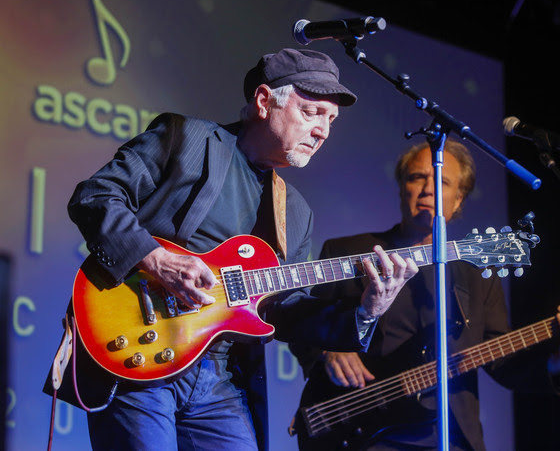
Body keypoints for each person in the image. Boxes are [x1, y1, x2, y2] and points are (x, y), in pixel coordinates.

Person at [43, 48, 418, 451]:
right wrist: (157, 260)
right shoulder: (184, 139)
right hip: (142, 354)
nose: (323, 130)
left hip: (219, 379)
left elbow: (284, 309)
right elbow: (96, 196)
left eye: (331, 119)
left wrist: (369, 310)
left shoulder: (295, 212)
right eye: (312, 112)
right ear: (263, 101)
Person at [290, 139, 560, 451]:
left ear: (459, 199)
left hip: (452, 434)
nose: (428, 188)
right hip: (362, 433)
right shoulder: (348, 252)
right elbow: (301, 323)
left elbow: (502, 363)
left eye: (442, 181)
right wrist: (327, 353)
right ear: (401, 188)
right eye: (417, 177)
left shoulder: (477, 273)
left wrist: (555, 359)